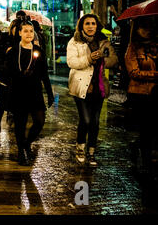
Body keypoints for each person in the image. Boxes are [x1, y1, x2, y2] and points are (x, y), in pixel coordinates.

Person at [67, 14, 118, 166]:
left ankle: (91, 152)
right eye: (87, 23)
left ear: (97, 25)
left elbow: (114, 60)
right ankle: (80, 148)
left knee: (95, 122)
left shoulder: (104, 41)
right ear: (82, 26)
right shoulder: (75, 41)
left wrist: (103, 58)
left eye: (93, 23)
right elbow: (72, 62)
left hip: (99, 86)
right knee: (86, 119)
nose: (90, 26)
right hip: (81, 86)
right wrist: (89, 59)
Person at [6, 21, 54, 165]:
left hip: (35, 92)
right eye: (25, 31)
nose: (29, 34)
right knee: (20, 123)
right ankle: (21, 151)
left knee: (39, 121)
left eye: (31, 31)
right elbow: (9, 72)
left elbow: (44, 74)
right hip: (18, 92)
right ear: (19, 33)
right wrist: (20, 74)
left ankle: (27, 143)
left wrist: (50, 93)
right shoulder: (13, 51)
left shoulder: (39, 51)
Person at [125, 17, 157, 176]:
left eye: (149, 27)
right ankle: (145, 159)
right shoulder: (133, 47)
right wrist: (154, 74)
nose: (147, 31)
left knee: (153, 128)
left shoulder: (155, 46)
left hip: (155, 92)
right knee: (146, 127)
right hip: (140, 94)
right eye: (143, 28)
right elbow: (133, 72)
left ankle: (140, 147)